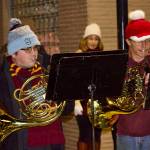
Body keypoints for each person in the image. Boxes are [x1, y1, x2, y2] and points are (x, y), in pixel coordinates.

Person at [0, 18, 65, 150]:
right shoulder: (3, 79)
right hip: (20, 142)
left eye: (35, 49)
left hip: (50, 142)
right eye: (27, 50)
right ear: (14, 53)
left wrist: (62, 93)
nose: (34, 54)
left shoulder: (46, 72)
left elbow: (65, 109)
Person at [116, 10, 150, 150]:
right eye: (139, 41)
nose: (144, 45)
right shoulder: (118, 67)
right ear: (128, 41)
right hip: (126, 133)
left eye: (147, 40)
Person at [74, 23, 103, 150]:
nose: (93, 41)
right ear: (85, 39)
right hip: (83, 102)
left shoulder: (102, 55)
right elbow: (74, 81)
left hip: (97, 102)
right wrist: (76, 103)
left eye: (96, 38)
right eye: (90, 38)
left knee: (97, 135)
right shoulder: (79, 54)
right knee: (85, 135)